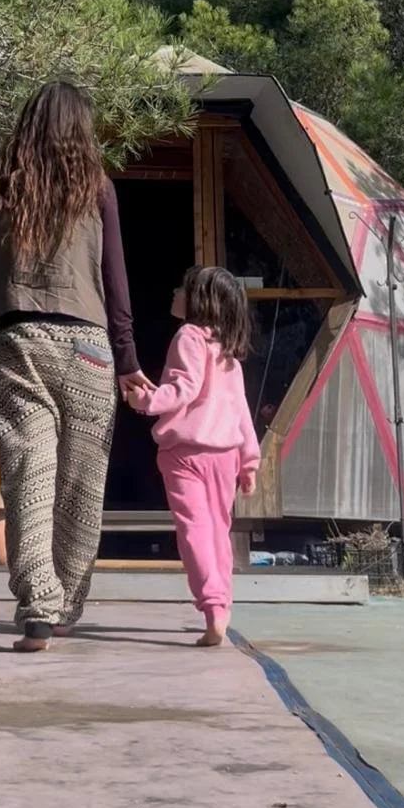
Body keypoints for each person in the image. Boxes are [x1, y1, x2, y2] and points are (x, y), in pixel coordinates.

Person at [0, 80, 151, 652]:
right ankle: (66, 603)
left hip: (17, 337)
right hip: (89, 346)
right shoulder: (97, 187)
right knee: (80, 487)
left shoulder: (0, 182)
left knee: (28, 478)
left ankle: (38, 609)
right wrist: (126, 359)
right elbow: (117, 280)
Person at [127, 265, 259, 647]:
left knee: (194, 532)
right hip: (227, 455)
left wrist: (144, 401)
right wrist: (249, 460)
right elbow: (241, 409)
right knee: (218, 532)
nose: (175, 293)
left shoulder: (188, 336)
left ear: (199, 299)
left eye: (182, 289)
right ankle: (223, 605)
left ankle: (213, 607)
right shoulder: (227, 350)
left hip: (185, 454)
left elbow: (182, 388)